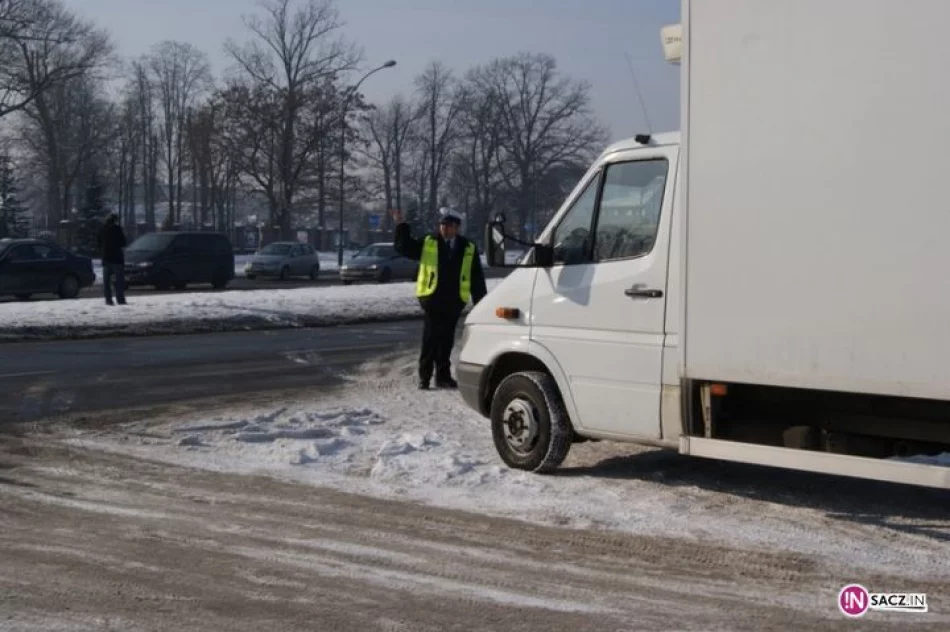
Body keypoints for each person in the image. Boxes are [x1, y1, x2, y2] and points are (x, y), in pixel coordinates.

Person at [392, 207, 488, 390]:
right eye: (442, 225)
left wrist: (480, 304)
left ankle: (443, 376)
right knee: (430, 339)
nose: (444, 228)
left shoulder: (468, 247)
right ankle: (424, 377)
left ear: (457, 228)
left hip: (454, 300)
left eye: (449, 226)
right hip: (433, 298)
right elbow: (404, 248)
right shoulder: (430, 242)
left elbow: (476, 276)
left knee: (446, 340)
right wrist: (401, 225)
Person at [98, 212, 127, 306]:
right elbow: (123, 242)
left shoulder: (102, 229)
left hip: (106, 258)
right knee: (119, 281)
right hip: (117, 258)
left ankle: (108, 300)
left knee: (106, 282)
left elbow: (98, 243)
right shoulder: (117, 229)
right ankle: (120, 299)